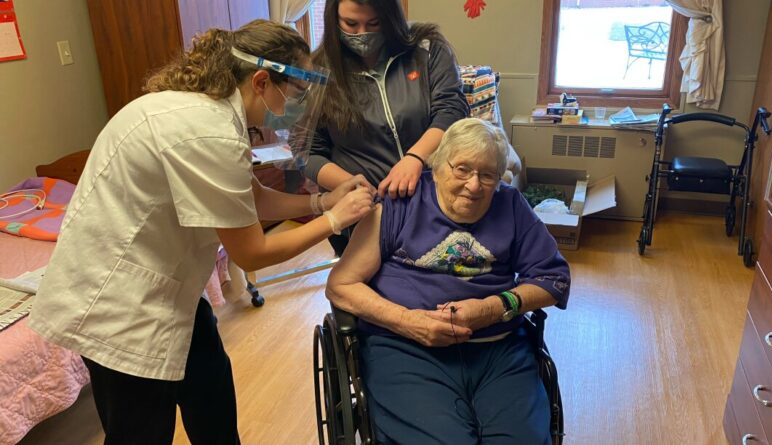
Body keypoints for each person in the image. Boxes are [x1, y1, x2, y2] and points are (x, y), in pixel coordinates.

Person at [28, 19, 374, 445]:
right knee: (140, 431)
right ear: (262, 80)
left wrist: (321, 201)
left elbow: (253, 197)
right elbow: (252, 252)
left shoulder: (206, 112)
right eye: (297, 93)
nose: (298, 104)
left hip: (166, 292)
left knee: (211, 397)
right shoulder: (206, 131)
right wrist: (335, 221)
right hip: (118, 307)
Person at [326, 118, 571, 444]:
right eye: (462, 170)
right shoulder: (401, 203)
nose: (474, 185)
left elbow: (553, 278)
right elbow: (341, 285)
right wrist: (408, 321)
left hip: (498, 349)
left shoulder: (511, 206)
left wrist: (492, 308)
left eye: (488, 175)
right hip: (405, 348)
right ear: (438, 165)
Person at [304, 0, 470, 256]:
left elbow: (451, 110)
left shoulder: (427, 48)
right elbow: (308, 153)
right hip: (364, 216)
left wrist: (415, 158)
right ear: (333, 19)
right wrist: (350, 183)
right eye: (350, 24)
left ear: (390, 17)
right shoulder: (317, 71)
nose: (362, 34)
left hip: (433, 201)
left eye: (373, 23)